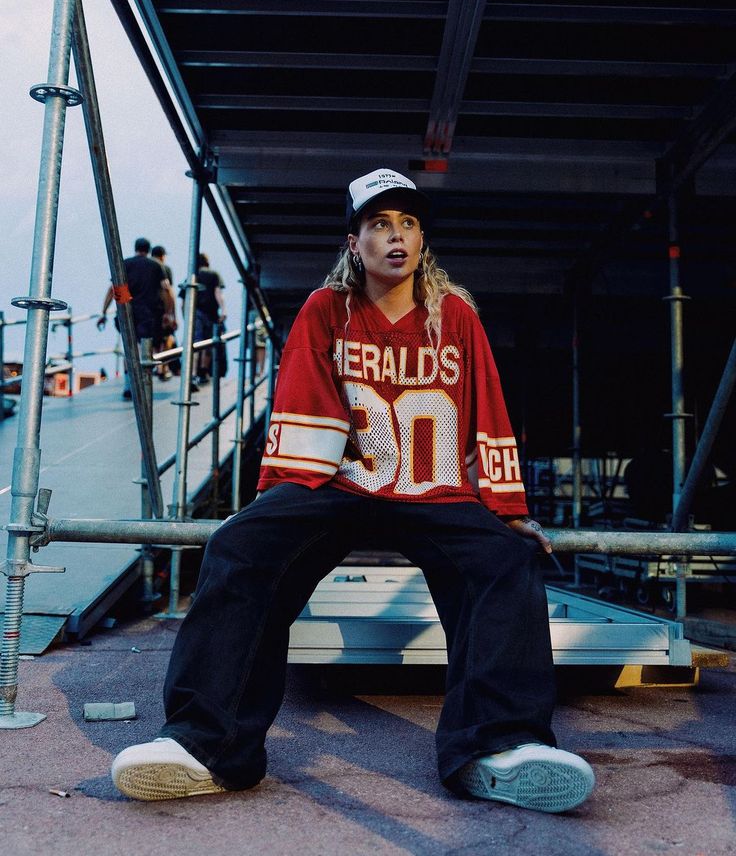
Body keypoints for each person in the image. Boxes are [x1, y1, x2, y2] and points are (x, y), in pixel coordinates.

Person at [111, 169, 595, 812]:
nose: (397, 237)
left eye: (409, 224)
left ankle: (496, 748)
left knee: (506, 560)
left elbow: (489, 408)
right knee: (241, 547)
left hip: (435, 488)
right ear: (354, 242)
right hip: (342, 482)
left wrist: (506, 508)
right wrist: (276, 495)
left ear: (423, 239)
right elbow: (302, 400)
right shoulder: (325, 309)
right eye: (379, 225)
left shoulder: (456, 315)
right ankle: (207, 747)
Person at [97, 237, 175, 398]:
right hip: (150, 314)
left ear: (135, 248)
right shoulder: (156, 266)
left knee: (129, 347)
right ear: (148, 249)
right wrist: (168, 313)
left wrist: (104, 312)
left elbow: (114, 290)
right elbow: (166, 291)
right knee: (145, 348)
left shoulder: (125, 264)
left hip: (127, 312)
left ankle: (128, 385)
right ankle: (144, 383)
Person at [186, 253, 226, 385]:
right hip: (211, 314)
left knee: (195, 343)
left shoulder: (192, 276)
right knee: (208, 343)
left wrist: (185, 316)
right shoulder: (214, 275)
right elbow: (218, 293)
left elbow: (183, 301)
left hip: (195, 313)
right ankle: (203, 371)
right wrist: (224, 310)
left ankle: (192, 374)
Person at [151, 245, 179, 379]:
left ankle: (157, 366)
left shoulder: (146, 267)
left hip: (148, 311)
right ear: (162, 256)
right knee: (167, 339)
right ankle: (163, 367)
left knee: (153, 340)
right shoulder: (165, 269)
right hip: (162, 310)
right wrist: (172, 314)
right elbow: (169, 292)